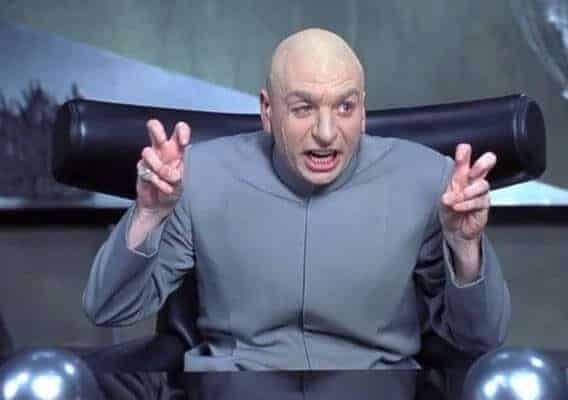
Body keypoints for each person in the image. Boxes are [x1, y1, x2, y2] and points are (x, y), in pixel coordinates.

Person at [83, 28, 510, 371]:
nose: (326, 132)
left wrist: (465, 247)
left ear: (364, 110)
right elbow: (108, 309)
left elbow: (480, 337)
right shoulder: (200, 175)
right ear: (267, 110)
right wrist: (149, 214)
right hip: (235, 387)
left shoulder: (428, 178)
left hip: (375, 386)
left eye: (344, 107)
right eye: (304, 108)